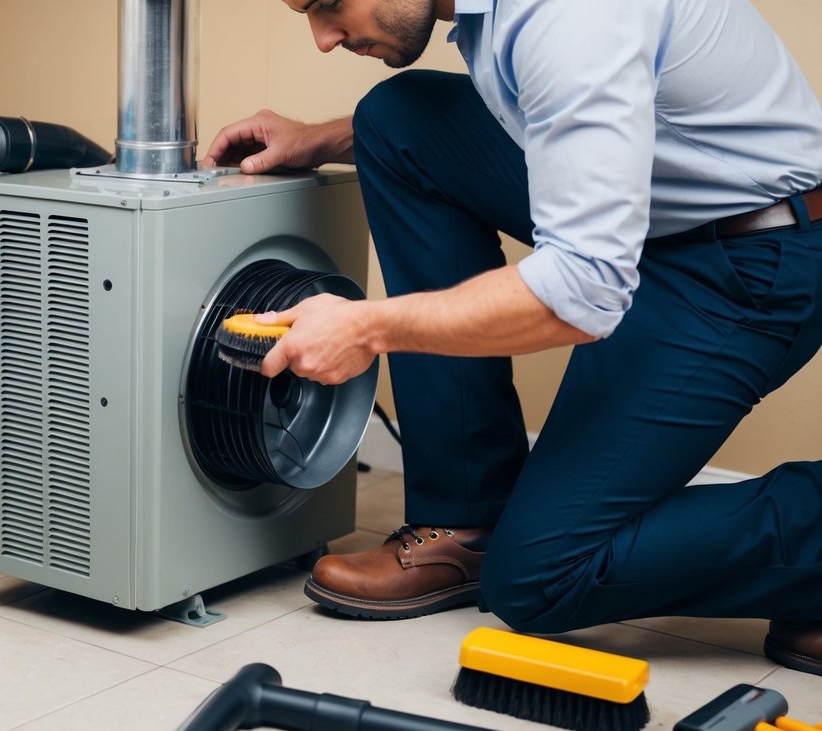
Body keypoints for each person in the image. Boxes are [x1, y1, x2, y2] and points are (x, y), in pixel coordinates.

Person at [204, 0, 822, 677]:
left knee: (541, 575)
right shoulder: (497, 14)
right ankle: (463, 523)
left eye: (328, 3)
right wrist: (324, 137)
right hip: (662, 223)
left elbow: (583, 291)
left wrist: (368, 326)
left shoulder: (570, 16)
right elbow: (562, 121)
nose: (323, 39)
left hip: (749, 261)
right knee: (399, 118)